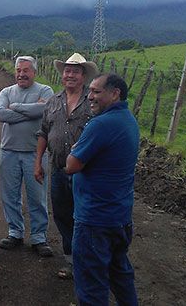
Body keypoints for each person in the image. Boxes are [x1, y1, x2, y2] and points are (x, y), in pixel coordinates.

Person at [65, 74, 140, 305]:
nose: (90, 96)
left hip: (94, 220)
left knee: (91, 285)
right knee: (120, 274)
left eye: (97, 92)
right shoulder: (128, 119)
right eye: (91, 91)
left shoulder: (100, 124)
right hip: (119, 216)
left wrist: (77, 148)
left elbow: (71, 165)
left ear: (115, 93)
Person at [34, 52, 98, 278]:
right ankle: (71, 259)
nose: (70, 75)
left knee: (84, 216)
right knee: (62, 214)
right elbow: (43, 132)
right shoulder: (53, 101)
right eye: (67, 71)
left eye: (75, 71)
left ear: (83, 76)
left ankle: (88, 260)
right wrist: (38, 163)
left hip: (85, 171)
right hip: (58, 168)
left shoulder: (92, 102)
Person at [0, 56, 54, 256]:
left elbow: (45, 109)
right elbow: (2, 115)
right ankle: (15, 232)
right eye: (19, 70)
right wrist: (32, 111)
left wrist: (16, 107)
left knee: (37, 197)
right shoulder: (6, 92)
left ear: (34, 72)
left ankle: (39, 237)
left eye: (26, 70)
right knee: (10, 196)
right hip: (9, 151)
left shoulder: (45, 91)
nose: (21, 74)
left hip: (34, 153)